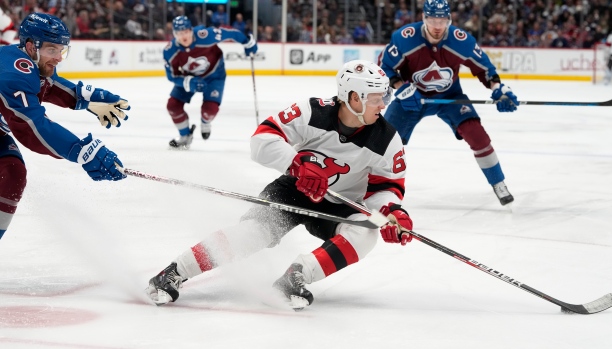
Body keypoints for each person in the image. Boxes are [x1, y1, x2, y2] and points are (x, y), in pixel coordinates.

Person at [146, 60, 414, 311]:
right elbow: (261, 140)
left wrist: (391, 212)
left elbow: (385, 188)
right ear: (355, 98)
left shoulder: (387, 139)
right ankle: (174, 271)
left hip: (341, 203)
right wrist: (295, 164)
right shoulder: (312, 111)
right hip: (293, 189)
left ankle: (295, 276)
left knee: (366, 234)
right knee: (253, 233)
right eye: (378, 98)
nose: (383, 105)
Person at [0, 13, 130, 239]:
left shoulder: (26, 62)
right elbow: (32, 127)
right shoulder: (13, 74)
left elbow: (50, 85)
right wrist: (81, 151)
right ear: (31, 47)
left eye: (62, 50)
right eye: (52, 50)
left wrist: (89, 99)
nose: (59, 57)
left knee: (13, 173)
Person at [378, 0, 519, 206]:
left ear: (449, 20)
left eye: (442, 20)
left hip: (449, 96)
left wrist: (498, 88)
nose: (437, 26)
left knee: (477, 135)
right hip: (412, 97)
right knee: (384, 140)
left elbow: (484, 68)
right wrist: (401, 87)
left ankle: (498, 183)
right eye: (432, 20)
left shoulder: (461, 41)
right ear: (424, 19)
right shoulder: (405, 38)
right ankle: (371, 185)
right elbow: (385, 66)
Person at [163, 15, 257, 149]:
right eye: (179, 33)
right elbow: (172, 76)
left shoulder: (205, 35)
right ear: (174, 34)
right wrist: (188, 82)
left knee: (210, 110)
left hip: (215, 76)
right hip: (190, 77)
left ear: (191, 30)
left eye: (186, 32)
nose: (183, 36)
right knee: (173, 105)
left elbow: (230, 33)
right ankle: (185, 136)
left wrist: (247, 42)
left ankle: (205, 122)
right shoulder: (170, 51)